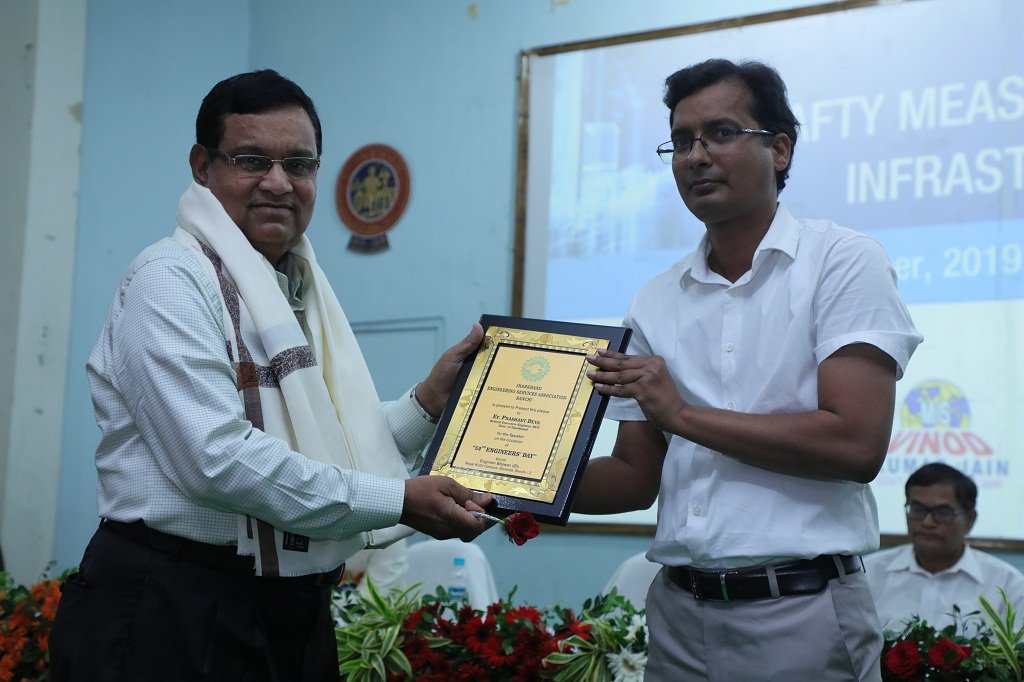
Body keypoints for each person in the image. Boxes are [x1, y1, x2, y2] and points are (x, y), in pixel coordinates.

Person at [49, 69, 492, 681]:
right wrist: (399, 501)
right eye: (252, 160)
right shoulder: (171, 281)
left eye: (301, 164)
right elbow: (219, 461)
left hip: (284, 603)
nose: (279, 183)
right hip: (173, 606)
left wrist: (426, 404)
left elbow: (326, 450)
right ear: (202, 166)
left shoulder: (293, 288)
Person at [574, 58, 922, 680]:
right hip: (678, 615)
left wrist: (680, 413)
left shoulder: (842, 262)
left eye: (722, 133)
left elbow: (854, 443)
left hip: (801, 612)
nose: (696, 155)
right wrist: (515, 486)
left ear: (780, 149)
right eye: (681, 141)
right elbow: (633, 476)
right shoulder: (654, 298)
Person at [864, 463, 1024, 633]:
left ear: (969, 520)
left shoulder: (1007, 584)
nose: (927, 522)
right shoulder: (870, 574)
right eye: (918, 510)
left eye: (942, 513)